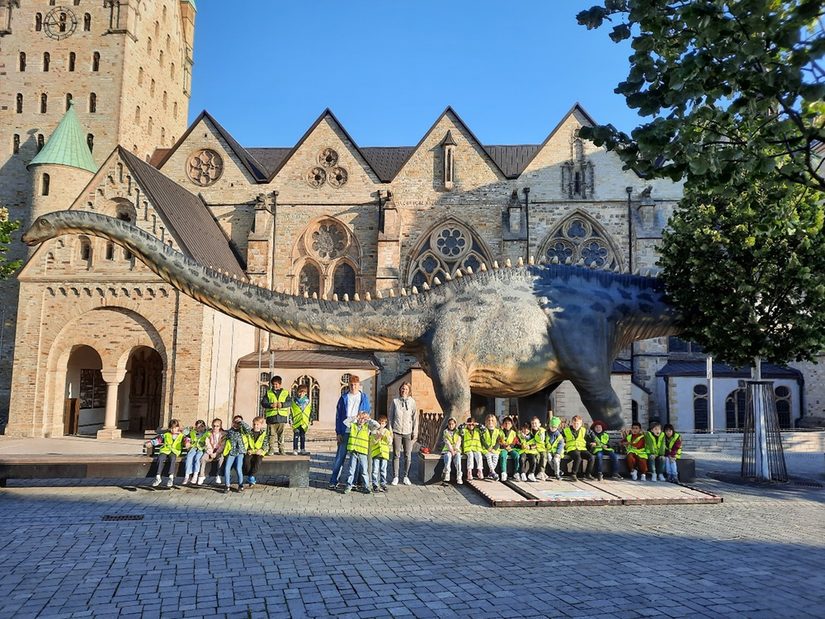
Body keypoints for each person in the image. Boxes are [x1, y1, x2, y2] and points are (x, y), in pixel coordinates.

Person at [329, 375, 371, 489]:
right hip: (345, 430)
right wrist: (338, 432)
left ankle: (355, 482)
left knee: (356, 457)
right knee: (340, 457)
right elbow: (338, 416)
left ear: (359, 385)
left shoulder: (363, 397)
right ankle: (334, 480)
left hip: (357, 431)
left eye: (355, 385)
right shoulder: (344, 398)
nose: (353, 387)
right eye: (351, 385)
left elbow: (367, 412)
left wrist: (362, 416)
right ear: (348, 385)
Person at [388, 382, 418, 486]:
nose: (403, 391)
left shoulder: (412, 402)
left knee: (407, 455)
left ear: (409, 391)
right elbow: (390, 417)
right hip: (396, 431)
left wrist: (415, 431)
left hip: (408, 431)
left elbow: (415, 418)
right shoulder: (395, 401)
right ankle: (395, 476)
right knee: (396, 455)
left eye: (405, 389)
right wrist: (390, 431)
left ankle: (406, 476)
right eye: (402, 389)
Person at [343, 411, 379, 494]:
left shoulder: (367, 427)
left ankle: (367, 486)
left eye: (363, 419)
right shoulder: (353, 426)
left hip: (362, 452)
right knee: (351, 470)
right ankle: (349, 486)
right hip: (354, 451)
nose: (361, 420)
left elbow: (377, 425)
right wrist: (354, 417)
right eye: (360, 418)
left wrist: (369, 419)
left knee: (364, 471)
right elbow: (345, 422)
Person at [145, 419, 184, 488]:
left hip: (174, 451)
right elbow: (158, 440)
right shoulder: (166, 434)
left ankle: (171, 477)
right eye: (171, 428)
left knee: (173, 458)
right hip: (165, 450)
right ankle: (158, 476)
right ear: (169, 428)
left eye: (175, 428)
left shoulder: (181, 435)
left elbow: (186, 440)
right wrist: (151, 443)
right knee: (160, 458)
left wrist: (187, 443)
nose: (173, 430)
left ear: (178, 428)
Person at [263, 375, 290, 456]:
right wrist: (271, 405)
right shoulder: (268, 393)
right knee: (271, 435)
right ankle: (271, 449)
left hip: (281, 417)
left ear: (280, 384)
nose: (275, 386)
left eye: (276, 384)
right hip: (272, 417)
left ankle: (281, 449)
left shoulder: (285, 392)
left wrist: (282, 404)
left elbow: (289, 402)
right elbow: (263, 403)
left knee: (281, 435)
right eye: (273, 384)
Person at [222, 415, 250, 493]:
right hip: (231, 452)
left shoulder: (243, 431)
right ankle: (227, 485)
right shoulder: (230, 431)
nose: (237, 424)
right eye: (235, 422)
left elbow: (248, 429)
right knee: (227, 468)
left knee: (238, 468)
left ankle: (240, 485)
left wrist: (241, 422)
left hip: (240, 452)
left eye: (238, 423)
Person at [563, 415, 594, 481]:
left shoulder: (584, 430)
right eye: (574, 423)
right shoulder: (566, 430)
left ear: (581, 423)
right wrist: (563, 443)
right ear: (572, 423)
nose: (576, 425)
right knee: (578, 457)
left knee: (591, 457)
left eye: (578, 423)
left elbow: (590, 437)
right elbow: (559, 438)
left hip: (582, 448)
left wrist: (593, 442)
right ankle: (573, 474)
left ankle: (588, 474)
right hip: (572, 448)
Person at [198, 418, 225, 486]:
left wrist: (216, 453)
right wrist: (210, 452)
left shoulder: (223, 434)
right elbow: (207, 444)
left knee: (221, 458)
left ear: (220, 426)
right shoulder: (209, 434)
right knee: (203, 458)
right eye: (214, 426)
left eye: (217, 426)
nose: (215, 427)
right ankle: (201, 476)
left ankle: (218, 475)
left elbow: (222, 446)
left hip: (218, 451)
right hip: (210, 450)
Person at [370, 414, 393, 492]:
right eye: (379, 423)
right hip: (376, 453)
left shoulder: (387, 432)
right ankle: (375, 484)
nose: (381, 425)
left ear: (385, 424)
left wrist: (384, 436)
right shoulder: (374, 431)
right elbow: (372, 442)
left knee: (383, 470)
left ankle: (383, 483)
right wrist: (377, 438)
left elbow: (389, 442)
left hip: (384, 454)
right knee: (375, 470)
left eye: (383, 423)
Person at [243, 416, 268, 487]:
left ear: (261, 425)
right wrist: (248, 449)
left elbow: (266, 444)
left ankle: (251, 476)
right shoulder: (249, 433)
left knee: (258, 461)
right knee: (246, 460)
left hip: (259, 452)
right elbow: (246, 442)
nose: (255, 426)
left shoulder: (264, 433)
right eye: (254, 424)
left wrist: (261, 450)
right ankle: (250, 476)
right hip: (251, 451)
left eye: (257, 424)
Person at [182, 419, 207, 485]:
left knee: (197, 458)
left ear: (204, 427)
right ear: (196, 427)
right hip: (193, 448)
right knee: (189, 458)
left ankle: (195, 475)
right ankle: (187, 476)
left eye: (202, 426)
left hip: (201, 449)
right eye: (198, 427)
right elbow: (186, 436)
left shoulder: (206, 433)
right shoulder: (193, 432)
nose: (200, 428)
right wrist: (187, 442)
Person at [290, 384, 312, 455]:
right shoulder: (294, 401)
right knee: (296, 435)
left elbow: (310, 410)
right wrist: (290, 419)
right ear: (297, 392)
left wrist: (311, 419)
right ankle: (295, 449)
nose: (301, 394)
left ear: (306, 393)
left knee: (302, 436)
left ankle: (302, 449)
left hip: (304, 421)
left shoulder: (307, 401)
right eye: (300, 392)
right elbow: (291, 410)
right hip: (296, 420)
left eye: (303, 392)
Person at [441, 417, 462, 485]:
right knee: (448, 456)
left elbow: (459, 441)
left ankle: (459, 475)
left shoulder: (458, 432)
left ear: (455, 424)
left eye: (452, 424)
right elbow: (447, 442)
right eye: (449, 424)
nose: (451, 426)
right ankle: (447, 472)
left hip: (456, 449)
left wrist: (455, 449)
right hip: (448, 449)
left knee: (458, 458)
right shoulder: (445, 432)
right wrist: (451, 450)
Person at [498, 416, 520, 482]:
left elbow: (515, 441)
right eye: (505, 423)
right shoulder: (500, 432)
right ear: (503, 424)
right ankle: (504, 472)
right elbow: (499, 441)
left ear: (511, 425)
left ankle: (516, 472)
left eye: (509, 423)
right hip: (503, 449)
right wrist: (504, 446)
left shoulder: (514, 433)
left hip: (511, 448)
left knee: (517, 455)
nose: (507, 425)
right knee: (503, 455)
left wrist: (510, 446)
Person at [480, 414, 502, 481]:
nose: (490, 422)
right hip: (486, 448)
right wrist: (487, 447)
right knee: (488, 456)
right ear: (486, 422)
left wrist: (494, 448)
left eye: (492, 420)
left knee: (496, 456)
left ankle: (491, 472)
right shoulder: (484, 430)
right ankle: (493, 472)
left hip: (494, 449)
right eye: (489, 420)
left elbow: (499, 441)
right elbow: (482, 440)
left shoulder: (497, 430)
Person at [545, 416, 565, 480]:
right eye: (551, 426)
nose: (552, 428)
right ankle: (558, 471)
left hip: (557, 451)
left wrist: (558, 453)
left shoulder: (559, 435)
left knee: (556, 460)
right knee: (549, 459)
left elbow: (561, 444)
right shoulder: (546, 433)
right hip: (549, 450)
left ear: (557, 427)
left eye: (554, 427)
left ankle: (557, 474)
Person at [531, 417, 548, 481]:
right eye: (532, 423)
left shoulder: (542, 431)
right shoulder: (530, 431)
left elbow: (542, 439)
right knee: (537, 457)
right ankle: (540, 472)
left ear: (539, 424)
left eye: (535, 423)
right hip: (534, 449)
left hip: (541, 448)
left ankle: (542, 472)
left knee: (543, 456)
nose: (534, 425)